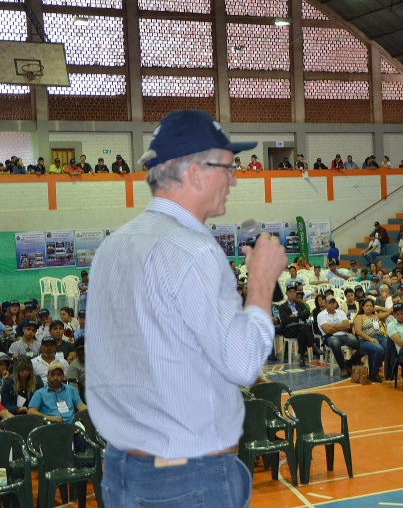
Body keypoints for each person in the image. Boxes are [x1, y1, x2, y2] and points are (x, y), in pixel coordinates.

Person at [86, 109, 286, 507]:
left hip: (122, 471)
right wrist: (261, 284)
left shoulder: (112, 247)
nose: (234, 178)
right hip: (188, 479)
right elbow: (244, 362)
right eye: (228, 167)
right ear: (195, 173)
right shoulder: (193, 252)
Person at [278, 284, 316, 367]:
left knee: (301, 333)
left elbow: (307, 313)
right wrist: (299, 316)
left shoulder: (300, 304)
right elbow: (285, 320)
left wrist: (294, 315)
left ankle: (301, 357)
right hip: (289, 329)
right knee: (304, 327)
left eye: (294, 292)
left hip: (300, 328)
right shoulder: (282, 306)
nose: (292, 293)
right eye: (290, 292)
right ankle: (313, 346)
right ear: (286, 293)